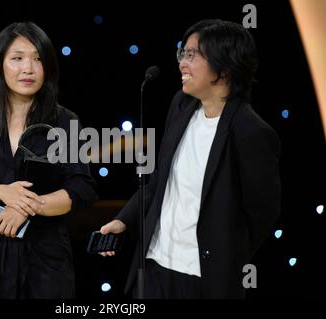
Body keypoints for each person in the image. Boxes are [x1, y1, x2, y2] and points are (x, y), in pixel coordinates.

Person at [100, 19, 281, 299]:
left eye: (193, 56)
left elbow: (262, 212)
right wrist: (125, 220)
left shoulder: (251, 132)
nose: (183, 63)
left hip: (202, 280)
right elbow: (161, 177)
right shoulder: (181, 105)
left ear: (225, 67)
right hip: (154, 266)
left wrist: (225, 256)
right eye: (182, 54)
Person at [0, 21, 97, 299]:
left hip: (47, 262)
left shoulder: (66, 122)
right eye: (17, 58)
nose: (28, 68)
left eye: (37, 59)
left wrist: (29, 206)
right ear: (0, 65)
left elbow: (82, 189)